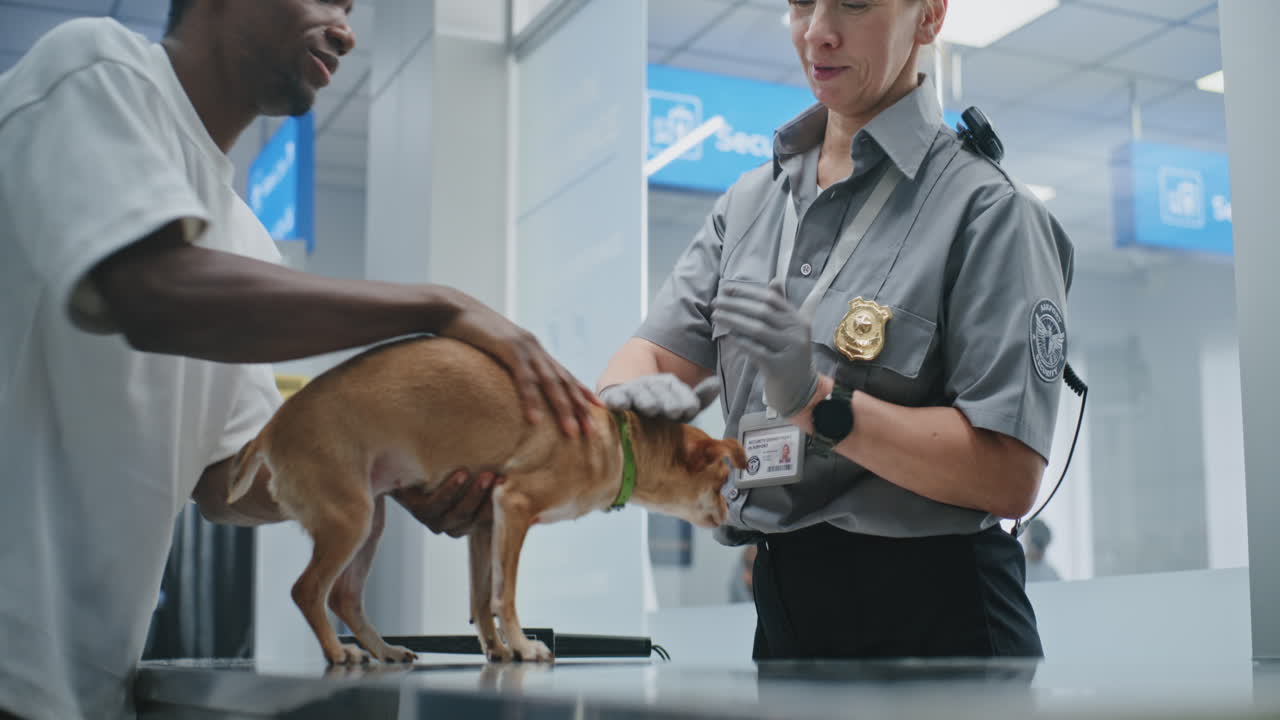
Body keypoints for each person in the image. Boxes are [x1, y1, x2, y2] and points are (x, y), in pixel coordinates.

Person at [0, 2, 597, 718]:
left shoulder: (246, 240)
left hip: (85, 690)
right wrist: (437, 306)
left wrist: (378, 470)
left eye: (351, 11)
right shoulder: (92, 67)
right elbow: (151, 291)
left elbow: (227, 485)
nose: (346, 31)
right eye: (326, 0)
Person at [599, 0, 1072, 660]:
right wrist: (625, 402)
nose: (817, 29)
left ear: (930, 17)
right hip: (784, 607)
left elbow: (1009, 476)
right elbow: (653, 352)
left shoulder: (986, 209)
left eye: (853, 3)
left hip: (938, 619)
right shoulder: (749, 204)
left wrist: (815, 404)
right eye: (800, 3)